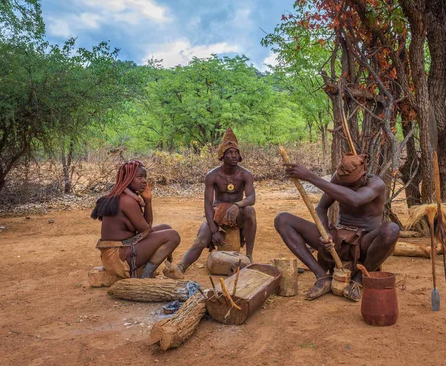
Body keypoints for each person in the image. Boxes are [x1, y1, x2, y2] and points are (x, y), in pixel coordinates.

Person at [274, 153, 399, 301]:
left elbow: (355, 199)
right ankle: (321, 276)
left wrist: (310, 176)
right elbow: (321, 208)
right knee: (282, 219)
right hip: (337, 237)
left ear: (363, 176)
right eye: (343, 183)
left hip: (364, 241)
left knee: (391, 229)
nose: (345, 186)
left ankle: (358, 281)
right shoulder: (340, 178)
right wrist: (325, 234)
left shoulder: (376, 184)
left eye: (350, 184)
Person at [175, 128, 256, 275]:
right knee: (201, 240)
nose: (234, 156)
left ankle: (249, 257)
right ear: (222, 156)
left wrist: (238, 205)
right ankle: (180, 267)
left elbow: (251, 198)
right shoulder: (212, 175)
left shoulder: (246, 174)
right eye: (230, 153)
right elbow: (207, 203)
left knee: (250, 211)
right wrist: (214, 230)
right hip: (217, 213)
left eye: (236, 152)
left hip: (238, 213)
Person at [91, 160, 182, 279]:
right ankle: (144, 276)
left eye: (145, 177)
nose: (144, 180)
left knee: (166, 228)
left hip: (118, 253)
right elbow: (146, 230)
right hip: (118, 259)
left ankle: (144, 272)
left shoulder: (123, 196)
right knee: (173, 236)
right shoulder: (127, 201)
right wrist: (162, 243)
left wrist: (148, 201)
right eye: (139, 177)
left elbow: (145, 230)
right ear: (128, 179)